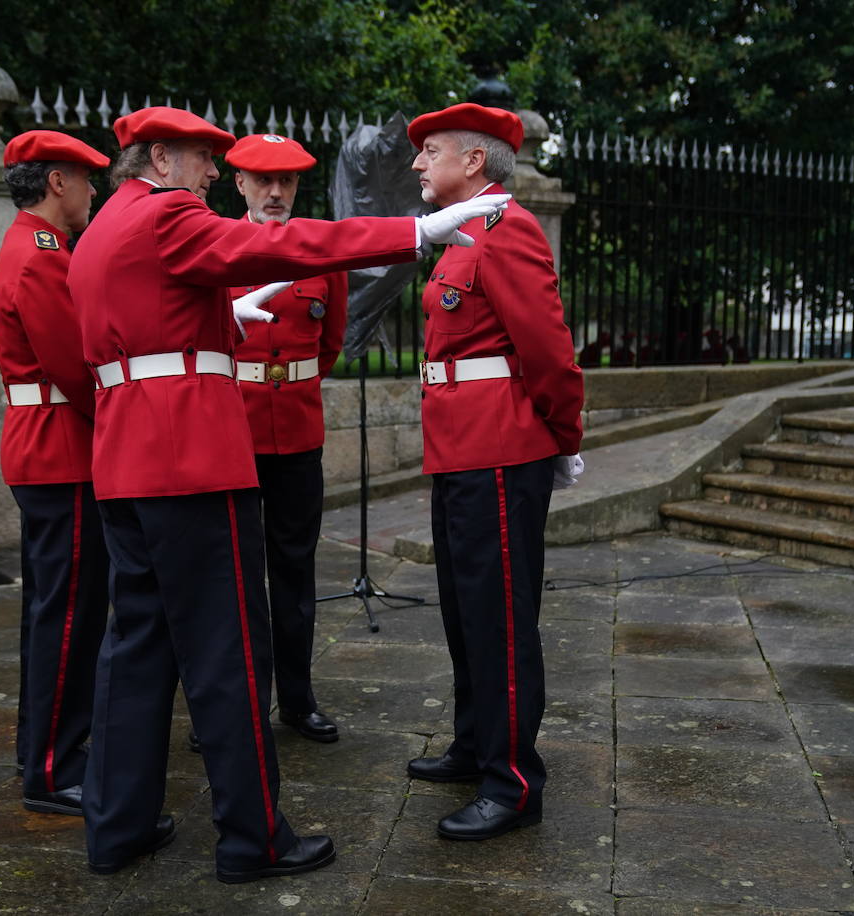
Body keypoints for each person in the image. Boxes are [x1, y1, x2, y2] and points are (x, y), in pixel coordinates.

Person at [66, 106, 507, 882]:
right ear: (160, 159)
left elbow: (143, 328)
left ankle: (118, 826)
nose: (213, 172)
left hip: (127, 458)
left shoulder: (105, 225)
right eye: (203, 158)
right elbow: (288, 244)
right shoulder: (166, 214)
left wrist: (221, 317)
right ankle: (253, 838)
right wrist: (415, 232)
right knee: (227, 651)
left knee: (135, 647)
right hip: (189, 460)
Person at [403, 103, 586, 841]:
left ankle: (512, 781)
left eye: (431, 150)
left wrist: (563, 435)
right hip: (461, 448)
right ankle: (476, 744)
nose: (417, 162)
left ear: (474, 160)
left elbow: (547, 348)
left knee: (500, 621)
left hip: (503, 450)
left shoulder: (508, 229)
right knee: (463, 609)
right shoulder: (464, 233)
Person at [0, 130, 113, 818]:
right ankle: (55, 767)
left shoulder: (37, 248)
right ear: (56, 182)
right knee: (70, 616)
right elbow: (76, 368)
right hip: (62, 451)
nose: (93, 191)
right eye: (86, 179)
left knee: (51, 611)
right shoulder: (40, 256)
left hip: (47, 449)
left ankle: (38, 748)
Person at [225, 133, 345, 744]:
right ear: (239, 184)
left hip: (297, 431)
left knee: (295, 573)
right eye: (263, 180)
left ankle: (297, 700)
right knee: (234, 575)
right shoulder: (216, 245)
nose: (275, 192)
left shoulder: (320, 253)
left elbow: (329, 344)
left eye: (287, 181)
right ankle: (234, 704)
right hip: (233, 432)